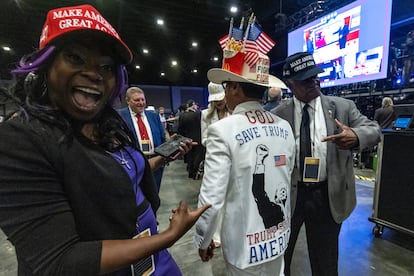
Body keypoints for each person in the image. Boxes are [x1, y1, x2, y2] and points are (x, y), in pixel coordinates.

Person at [0, 4, 210, 275]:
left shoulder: (108, 125)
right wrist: (169, 236)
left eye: (106, 66)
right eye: (75, 57)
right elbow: (59, 260)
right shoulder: (20, 141)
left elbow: (124, 173)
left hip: (148, 259)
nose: (94, 73)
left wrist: (165, 155)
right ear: (47, 65)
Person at [195, 22, 296, 275]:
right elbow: (287, 174)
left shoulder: (223, 130)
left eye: (227, 86)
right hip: (278, 240)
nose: (225, 94)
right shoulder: (284, 126)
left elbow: (211, 199)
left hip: (244, 247)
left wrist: (204, 240)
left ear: (235, 87)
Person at [272, 52, 381, 276]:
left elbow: (374, 130)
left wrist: (357, 137)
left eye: (315, 77)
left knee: (325, 261)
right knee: (281, 259)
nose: (314, 83)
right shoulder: (278, 115)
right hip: (289, 196)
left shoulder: (342, 107)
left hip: (326, 195)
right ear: (291, 85)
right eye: (305, 80)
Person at [118, 87, 166, 193]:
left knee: (154, 195)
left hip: (156, 163)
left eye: (142, 99)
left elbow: (162, 138)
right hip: (133, 163)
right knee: (136, 195)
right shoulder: (120, 116)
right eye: (137, 100)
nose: (141, 103)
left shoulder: (153, 116)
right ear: (128, 101)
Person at [199, 81, 230, 246]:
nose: (219, 102)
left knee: (231, 197)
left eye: (221, 98)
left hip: (233, 161)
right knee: (214, 199)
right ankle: (216, 234)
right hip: (214, 161)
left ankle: (230, 231)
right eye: (216, 99)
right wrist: (218, 142)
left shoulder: (234, 113)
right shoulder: (205, 115)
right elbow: (203, 138)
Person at [178, 99, 204, 179]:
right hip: (198, 139)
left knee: (190, 156)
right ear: (193, 105)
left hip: (187, 139)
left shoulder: (182, 115)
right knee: (197, 157)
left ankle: (190, 172)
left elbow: (180, 129)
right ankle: (196, 174)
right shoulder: (199, 114)